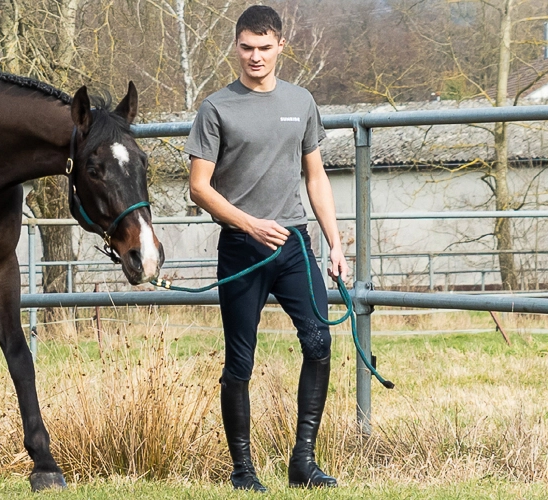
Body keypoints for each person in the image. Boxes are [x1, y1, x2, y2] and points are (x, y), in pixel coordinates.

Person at [184, 4, 346, 492]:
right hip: (241, 247)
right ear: (236, 47)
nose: (255, 56)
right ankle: (243, 472)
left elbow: (315, 176)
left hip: (295, 242)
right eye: (247, 48)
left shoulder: (302, 100)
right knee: (240, 361)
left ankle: (304, 462)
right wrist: (249, 224)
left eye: (264, 47)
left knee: (319, 342)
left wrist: (336, 243)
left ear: (280, 46)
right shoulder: (216, 108)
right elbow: (200, 187)